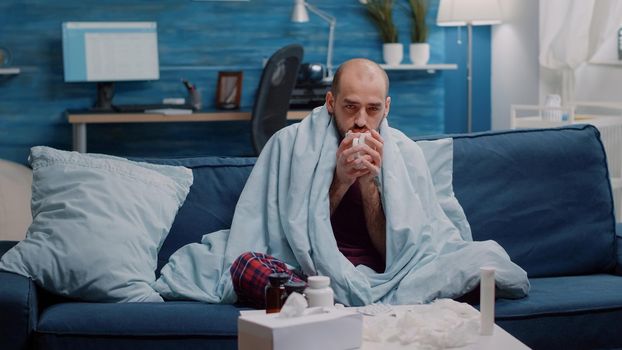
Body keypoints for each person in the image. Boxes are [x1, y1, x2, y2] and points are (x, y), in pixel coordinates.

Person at [231, 59, 393, 306]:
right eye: (350, 107)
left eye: (373, 109)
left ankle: (313, 303)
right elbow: (293, 237)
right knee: (245, 265)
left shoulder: (402, 155)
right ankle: (316, 298)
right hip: (308, 272)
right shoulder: (291, 143)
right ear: (330, 102)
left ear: (386, 108)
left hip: (378, 274)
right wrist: (341, 181)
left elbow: (396, 252)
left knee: (463, 265)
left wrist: (369, 183)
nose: (361, 121)